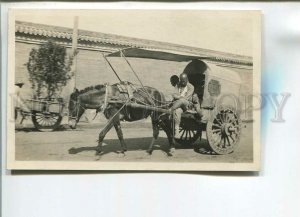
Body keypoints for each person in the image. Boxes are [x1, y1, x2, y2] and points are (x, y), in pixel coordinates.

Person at [170, 73, 202, 138]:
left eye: (184, 81)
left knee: (182, 101)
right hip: (180, 105)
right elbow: (174, 94)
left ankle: (170, 110)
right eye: (181, 81)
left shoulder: (191, 87)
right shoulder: (178, 85)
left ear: (187, 80)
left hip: (189, 105)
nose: (182, 83)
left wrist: (178, 97)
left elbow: (186, 98)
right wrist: (179, 97)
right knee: (177, 111)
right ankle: (177, 131)